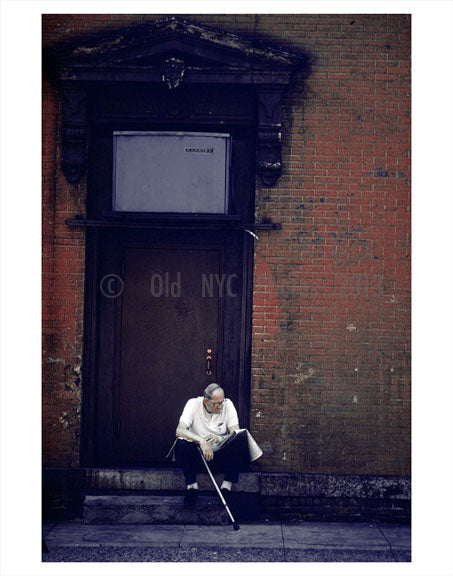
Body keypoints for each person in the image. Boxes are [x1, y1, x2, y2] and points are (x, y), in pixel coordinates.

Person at [175, 383, 250, 507]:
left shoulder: (228, 404)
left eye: (222, 402)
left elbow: (235, 433)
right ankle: (192, 487)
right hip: (199, 458)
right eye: (217, 404)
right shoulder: (193, 404)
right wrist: (201, 441)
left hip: (221, 458)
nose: (220, 407)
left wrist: (220, 439)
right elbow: (180, 430)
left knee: (240, 439)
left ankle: (226, 487)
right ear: (206, 401)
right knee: (181, 443)